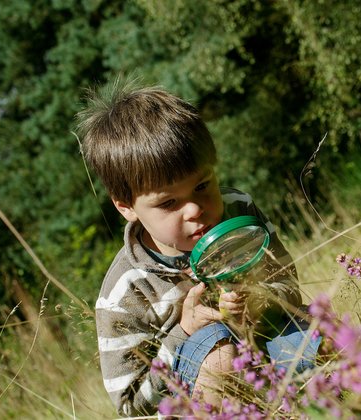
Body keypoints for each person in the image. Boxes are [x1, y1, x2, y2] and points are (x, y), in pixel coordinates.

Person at [77, 80, 320, 416]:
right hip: (194, 397)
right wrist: (184, 332)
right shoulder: (127, 289)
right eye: (168, 203)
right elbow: (131, 406)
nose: (194, 209)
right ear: (127, 208)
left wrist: (259, 300)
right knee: (219, 354)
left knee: (330, 337)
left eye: (203, 185)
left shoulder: (239, 210)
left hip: (268, 343)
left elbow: (288, 285)